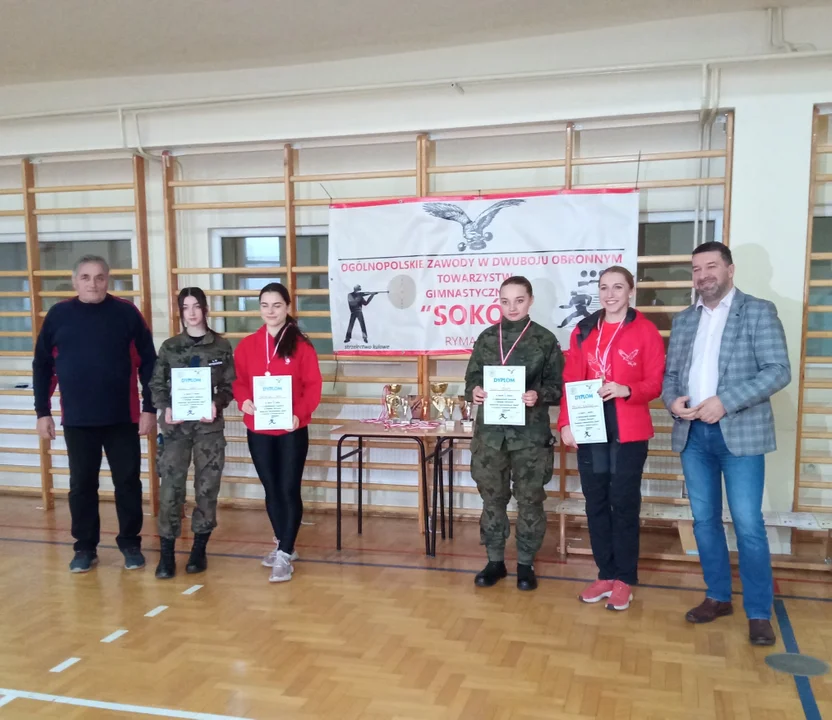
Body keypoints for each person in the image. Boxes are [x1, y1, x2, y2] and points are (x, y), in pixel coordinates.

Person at [662, 241, 790, 646]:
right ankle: (717, 596)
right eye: (696, 269)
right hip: (693, 435)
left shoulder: (758, 311)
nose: (703, 275)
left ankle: (758, 612)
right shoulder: (684, 320)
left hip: (741, 433)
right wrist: (672, 401)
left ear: (730, 270)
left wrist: (726, 402)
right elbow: (670, 377)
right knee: (704, 522)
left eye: (711, 266)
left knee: (749, 525)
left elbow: (778, 370)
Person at [33, 255, 157, 573]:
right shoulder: (58, 315)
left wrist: (149, 408)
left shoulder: (126, 313)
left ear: (108, 280)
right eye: (86, 277)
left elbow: (149, 362)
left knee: (127, 483)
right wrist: (42, 412)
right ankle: (85, 547)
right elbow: (43, 366)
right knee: (82, 485)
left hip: (123, 417)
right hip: (78, 419)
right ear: (75, 281)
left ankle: (130, 543)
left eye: (100, 277)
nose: (93, 283)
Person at [558, 266, 665, 611]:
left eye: (618, 287)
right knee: (596, 502)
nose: (610, 294)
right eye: (604, 287)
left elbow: (656, 383)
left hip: (628, 427)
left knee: (624, 502)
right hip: (590, 425)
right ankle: (605, 574)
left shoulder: (646, 331)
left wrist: (626, 389)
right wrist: (565, 422)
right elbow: (570, 381)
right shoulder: (584, 330)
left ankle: (625, 578)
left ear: (631, 291)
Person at [464, 276, 564, 591]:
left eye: (519, 300)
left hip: (529, 437)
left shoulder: (544, 340)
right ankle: (495, 560)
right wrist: (475, 391)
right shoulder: (486, 338)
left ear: (530, 300)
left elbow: (558, 387)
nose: (512, 307)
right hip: (491, 437)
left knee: (530, 500)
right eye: (505, 301)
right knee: (492, 500)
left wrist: (538, 395)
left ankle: (525, 563)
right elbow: (470, 380)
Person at [233, 283, 323, 583]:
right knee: (271, 489)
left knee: (288, 488)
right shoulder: (247, 345)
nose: (270, 311)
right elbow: (238, 381)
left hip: (291, 429)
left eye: (277, 305)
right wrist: (243, 399)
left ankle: (284, 552)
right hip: (258, 428)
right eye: (265, 305)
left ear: (287, 307)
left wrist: (299, 414)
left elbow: (313, 386)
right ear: (259, 308)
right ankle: (284, 543)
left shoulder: (302, 346)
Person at [149, 288, 235, 579]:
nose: (192, 312)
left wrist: (216, 402)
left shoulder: (220, 346)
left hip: (208, 429)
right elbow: (156, 384)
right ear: (180, 312)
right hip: (176, 429)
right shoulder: (170, 347)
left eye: (196, 306)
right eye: (186, 307)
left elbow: (229, 386)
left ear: (205, 308)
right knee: (170, 489)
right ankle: (167, 554)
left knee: (207, 489)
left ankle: (199, 549)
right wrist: (165, 408)